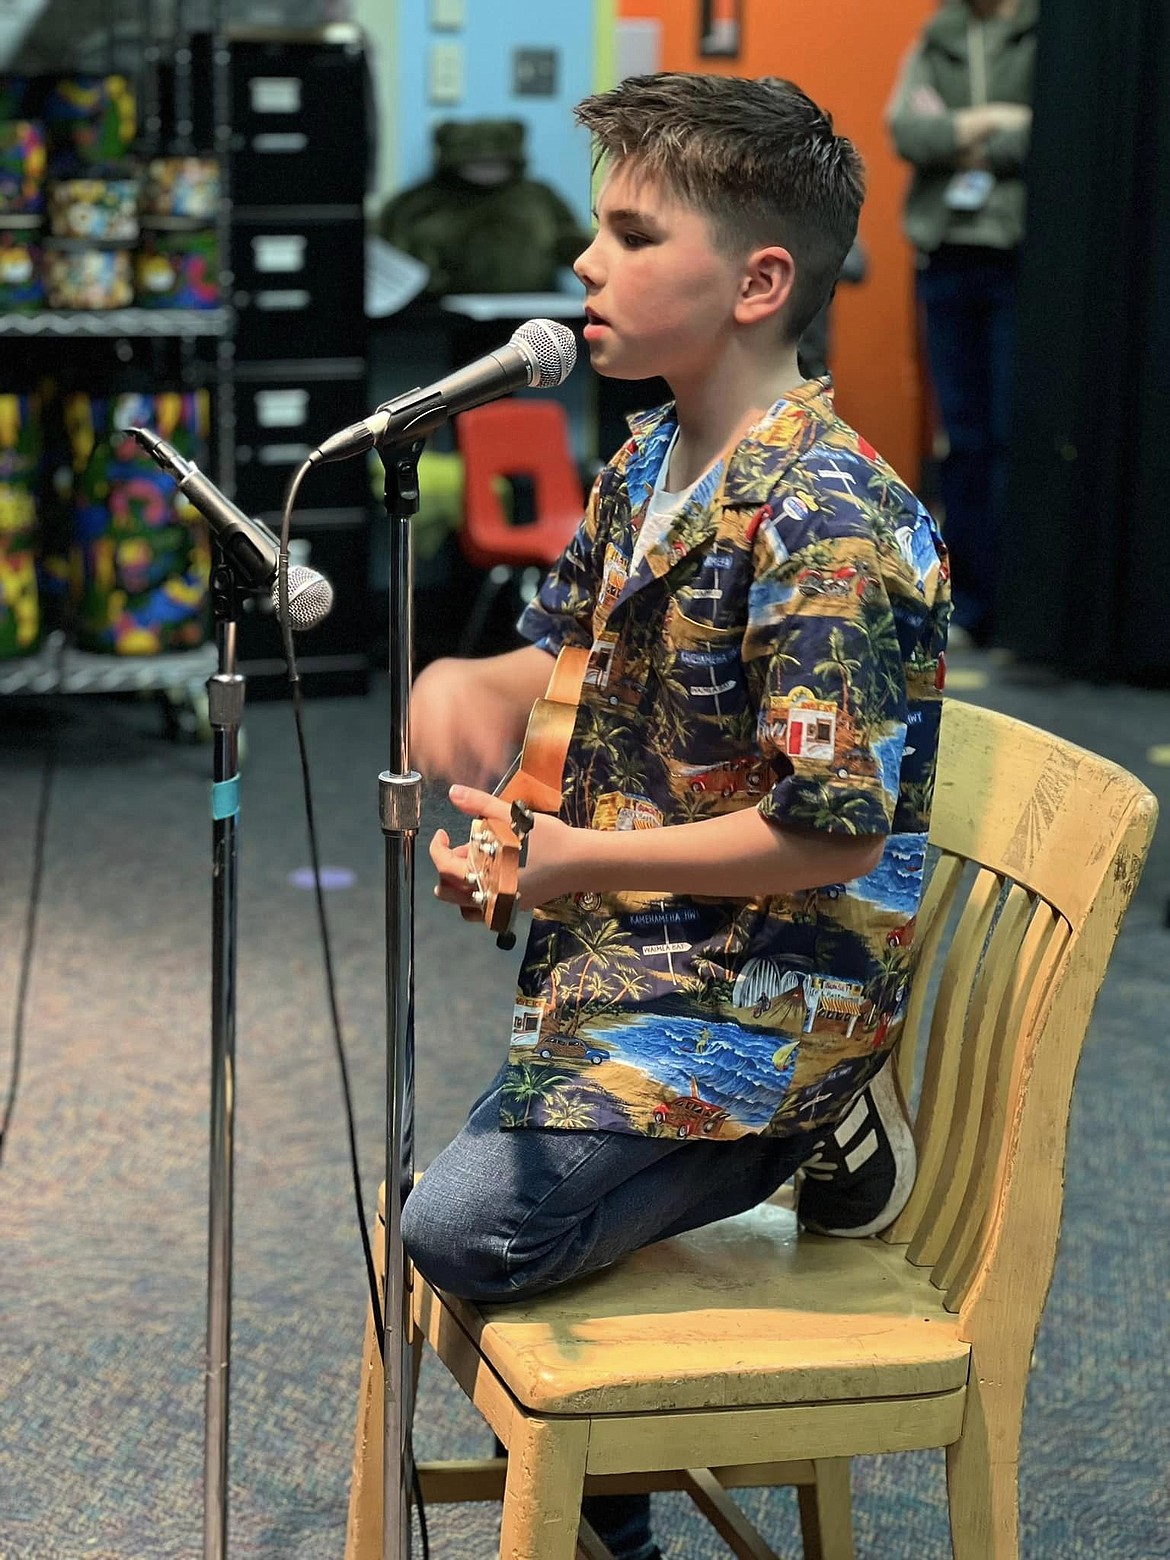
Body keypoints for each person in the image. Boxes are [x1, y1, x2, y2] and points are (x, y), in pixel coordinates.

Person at [405, 72, 951, 1560]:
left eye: (632, 235)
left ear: (757, 280)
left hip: (771, 999)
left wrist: (578, 858)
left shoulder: (827, 519)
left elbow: (835, 830)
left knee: (462, 1232)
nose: (586, 264)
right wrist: (470, 692)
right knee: (438, 1196)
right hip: (641, 959)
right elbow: (566, 666)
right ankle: (617, 1525)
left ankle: (817, 1123)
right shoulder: (651, 458)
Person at [887, 0, 1037, 647]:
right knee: (965, 440)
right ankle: (972, 604)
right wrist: (996, 121)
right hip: (945, 255)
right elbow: (907, 132)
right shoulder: (939, 34)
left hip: (1018, 258)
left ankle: (1022, 603)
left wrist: (963, 136)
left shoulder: (1039, 35)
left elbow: (1054, 133)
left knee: (1015, 436)